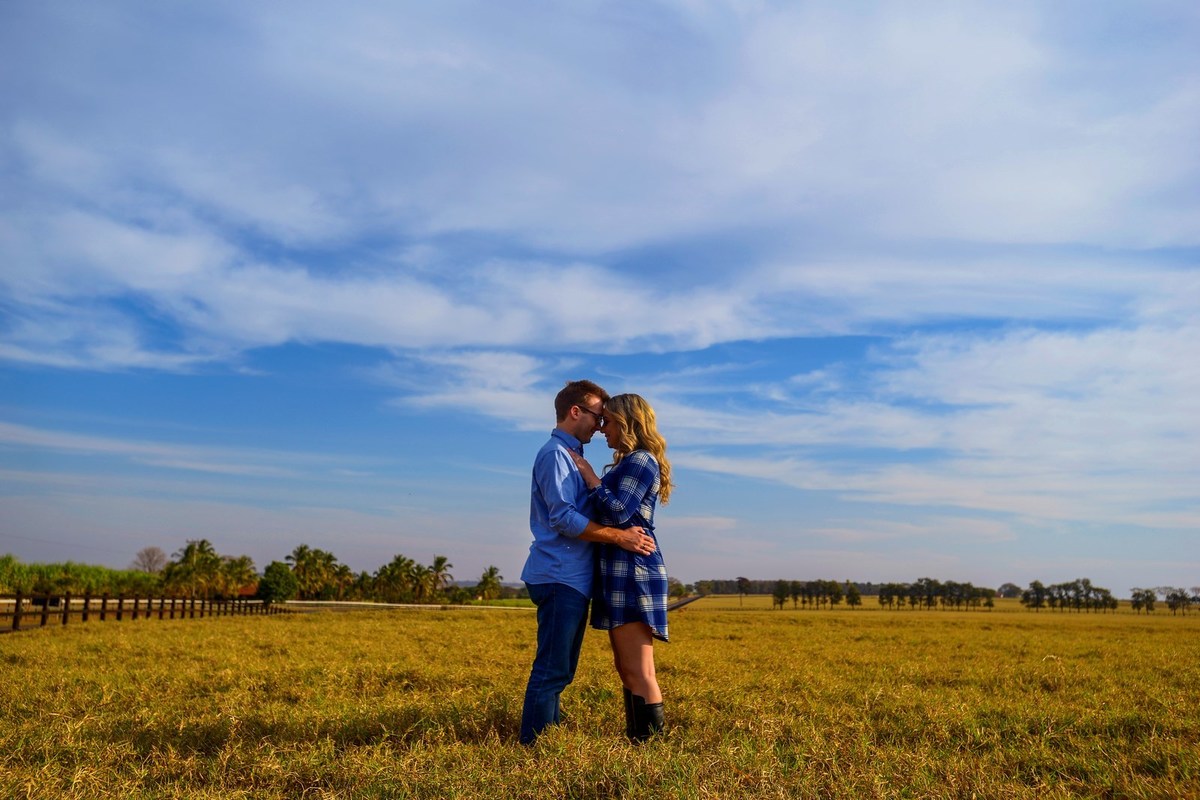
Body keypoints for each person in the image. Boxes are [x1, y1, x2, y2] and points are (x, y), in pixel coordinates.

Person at [519, 380, 658, 745]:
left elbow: (610, 506)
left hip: (575, 576)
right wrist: (620, 536)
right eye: (599, 416)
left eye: (607, 420)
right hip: (560, 574)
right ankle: (535, 746)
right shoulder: (556, 455)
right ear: (575, 412)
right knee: (553, 671)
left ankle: (546, 741)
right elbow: (564, 518)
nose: (600, 426)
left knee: (560, 671)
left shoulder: (580, 458)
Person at [569, 393, 673, 742]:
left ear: (629, 423)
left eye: (609, 422)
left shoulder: (641, 461)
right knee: (626, 669)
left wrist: (589, 477)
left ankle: (652, 748)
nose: (603, 429)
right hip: (618, 568)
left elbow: (619, 513)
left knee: (639, 670)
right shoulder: (628, 462)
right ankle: (639, 741)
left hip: (633, 570)